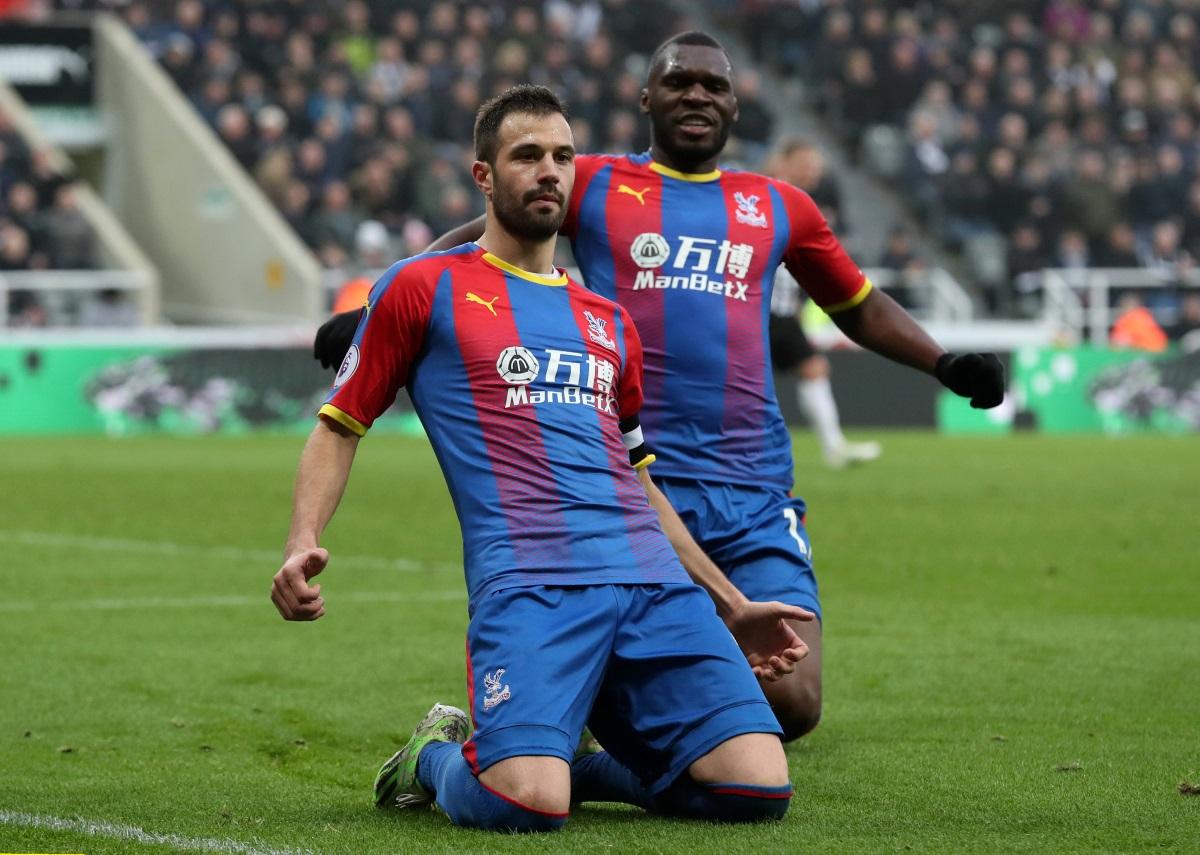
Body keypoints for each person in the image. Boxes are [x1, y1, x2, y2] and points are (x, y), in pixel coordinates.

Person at [313, 33, 1005, 743]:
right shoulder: (592, 182)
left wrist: (943, 363)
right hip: (628, 490)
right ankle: (588, 718)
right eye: (679, 83)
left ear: (735, 105)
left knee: (794, 700)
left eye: (714, 85)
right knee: (647, 700)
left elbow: (856, 303)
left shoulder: (778, 206)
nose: (697, 95)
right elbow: (481, 239)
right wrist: (375, 312)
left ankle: (620, 718)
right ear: (647, 99)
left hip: (754, 492)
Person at [274, 85, 812, 833]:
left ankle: (581, 765)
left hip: (653, 586)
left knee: (756, 789)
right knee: (525, 802)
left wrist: (731, 602)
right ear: (483, 176)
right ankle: (432, 755)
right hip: (533, 583)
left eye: (562, 156)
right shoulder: (424, 287)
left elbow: (639, 478)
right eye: (527, 155)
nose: (550, 171)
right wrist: (302, 539)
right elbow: (339, 428)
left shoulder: (609, 321)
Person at [767, 138, 881, 468]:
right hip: (755, 308)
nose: (813, 171)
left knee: (813, 367)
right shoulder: (764, 196)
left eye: (816, 166)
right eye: (806, 163)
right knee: (746, 383)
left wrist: (799, 299)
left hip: (782, 309)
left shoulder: (804, 204)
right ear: (784, 162)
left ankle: (834, 447)